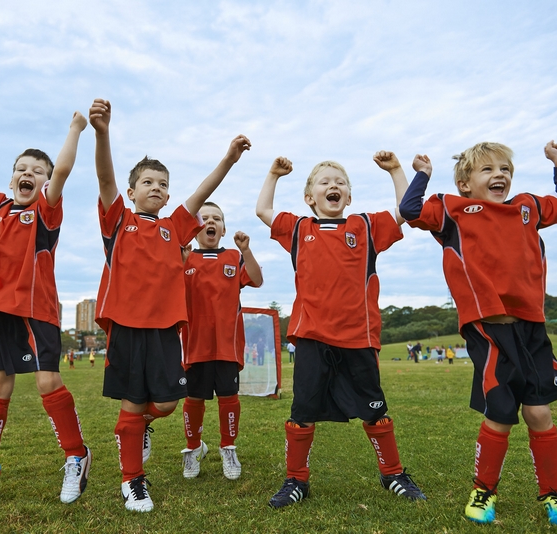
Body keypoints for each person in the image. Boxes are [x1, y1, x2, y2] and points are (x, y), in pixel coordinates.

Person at [399, 141, 557, 528]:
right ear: (465, 184)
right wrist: (422, 174)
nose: (499, 175)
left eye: (505, 169)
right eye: (488, 170)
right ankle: (484, 490)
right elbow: (410, 210)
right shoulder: (454, 210)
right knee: (500, 414)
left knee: (539, 411)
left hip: (531, 329)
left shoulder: (527, 208)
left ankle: (555, 495)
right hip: (489, 330)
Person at [90, 98, 250, 512]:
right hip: (126, 327)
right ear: (131, 191)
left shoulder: (174, 229)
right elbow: (105, 178)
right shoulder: (119, 222)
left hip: (165, 330)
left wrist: (229, 159)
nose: (156, 188)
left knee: (164, 404)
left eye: (163, 183)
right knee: (130, 401)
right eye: (148, 182)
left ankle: (138, 427)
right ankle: (133, 481)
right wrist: (103, 133)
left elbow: (202, 193)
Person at [256, 152, 426, 509]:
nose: (333, 185)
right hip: (312, 337)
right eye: (324, 182)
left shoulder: (365, 227)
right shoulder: (300, 229)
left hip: (357, 338)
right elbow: (263, 210)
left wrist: (396, 171)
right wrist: (273, 174)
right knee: (301, 412)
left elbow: (406, 211)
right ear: (310, 197)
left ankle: (392, 473)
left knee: (375, 409)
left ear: (348, 196)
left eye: (340, 183)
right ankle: (296, 480)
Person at [0, 107, 91, 507]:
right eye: (21, 169)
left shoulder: (45, 211)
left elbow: (61, 172)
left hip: (36, 308)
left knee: (46, 382)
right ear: (11, 179)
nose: (29, 173)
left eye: (37, 170)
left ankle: (76, 456)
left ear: (43, 183)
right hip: (1, 310)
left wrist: (75, 129)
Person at [180, 202, 263, 481]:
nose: (210, 222)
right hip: (195, 346)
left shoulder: (233, 257)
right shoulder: (186, 259)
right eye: (204, 218)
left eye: (216, 218)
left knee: (229, 397)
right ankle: (193, 448)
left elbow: (257, 279)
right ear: (195, 229)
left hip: (227, 345)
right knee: (193, 398)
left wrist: (246, 251)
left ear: (224, 229)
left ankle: (228, 447)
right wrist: (177, 260)